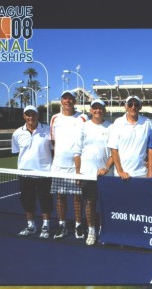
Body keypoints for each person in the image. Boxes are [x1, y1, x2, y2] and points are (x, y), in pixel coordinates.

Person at [73, 98, 114, 246]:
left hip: (106, 176)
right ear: (91, 110)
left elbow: (113, 153)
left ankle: (104, 230)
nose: (97, 110)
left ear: (104, 109)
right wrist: (78, 173)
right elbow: (77, 152)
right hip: (88, 175)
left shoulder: (111, 127)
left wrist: (106, 168)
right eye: (94, 108)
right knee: (89, 204)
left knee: (106, 204)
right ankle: (91, 230)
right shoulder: (83, 127)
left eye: (100, 107)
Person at [11, 105, 53, 239]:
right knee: (28, 201)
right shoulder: (17, 133)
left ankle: (45, 226)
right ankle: (31, 226)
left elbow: (53, 148)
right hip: (25, 174)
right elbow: (17, 152)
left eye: (33, 114)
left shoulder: (47, 130)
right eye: (28, 115)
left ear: (37, 115)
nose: (31, 117)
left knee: (45, 201)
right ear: (24, 116)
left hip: (44, 173)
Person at [50, 90, 88, 240]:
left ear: (74, 101)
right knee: (60, 197)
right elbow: (53, 142)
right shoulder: (54, 118)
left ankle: (79, 225)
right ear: (61, 101)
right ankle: (62, 225)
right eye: (65, 98)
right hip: (58, 166)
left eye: (70, 99)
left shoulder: (83, 118)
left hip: (76, 167)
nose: (67, 101)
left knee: (77, 198)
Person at [107, 95, 152, 180]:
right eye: (130, 104)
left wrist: (149, 160)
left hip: (141, 174)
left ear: (140, 107)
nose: (133, 107)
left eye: (136, 105)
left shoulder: (148, 123)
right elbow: (114, 150)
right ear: (126, 107)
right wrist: (120, 171)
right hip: (121, 176)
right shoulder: (118, 122)